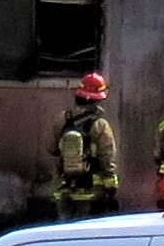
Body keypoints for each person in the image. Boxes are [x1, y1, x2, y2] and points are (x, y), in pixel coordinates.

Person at [50, 73, 119, 218]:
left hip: (64, 187)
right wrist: (111, 184)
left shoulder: (62, 119)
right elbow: (107, 156)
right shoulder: (100, 125)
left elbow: (50, 148)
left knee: (62, 232)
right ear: (97, 100)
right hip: (90, 191)